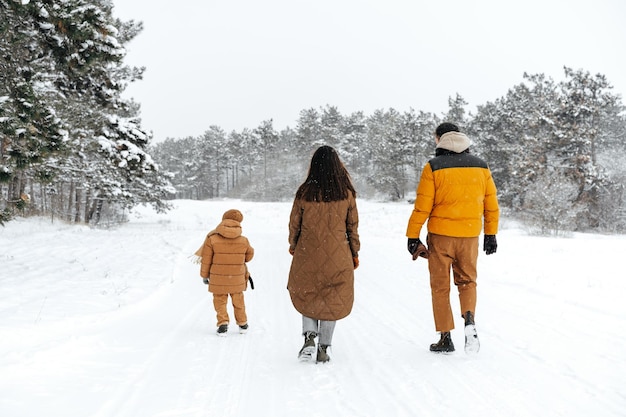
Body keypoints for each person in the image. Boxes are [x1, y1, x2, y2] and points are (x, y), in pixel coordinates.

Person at [406, 122, 499, 354]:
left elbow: (422, 207)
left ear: (439, 139)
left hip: (441, 237)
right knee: (467, 281)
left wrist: (412, 236)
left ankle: (445, 337)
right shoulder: (481, 166)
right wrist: (491, 234)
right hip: (469, 235)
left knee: (440, 287)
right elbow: (491, 204)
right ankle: (469, 321)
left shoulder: (434, 167)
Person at [287, 145, 360, 363]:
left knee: (308, 293)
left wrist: (293, 245)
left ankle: (309, 337)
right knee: (332, 298)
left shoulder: (304, 192)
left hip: (307, 252)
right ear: (338, 166)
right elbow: (352, 227)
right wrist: (354, 252)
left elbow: (294, 225)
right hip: (339, 255)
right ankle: (324, 348)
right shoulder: (346, 194)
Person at [199, 209, 254, 336]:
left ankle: (223, 324)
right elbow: (249, 256)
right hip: (237, 277)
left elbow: (206, 259)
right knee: (238, 301)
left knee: (220, 301)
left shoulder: (212, 238)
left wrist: (204, 275)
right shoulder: (244, 240)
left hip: (218, 278)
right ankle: (243, 324)